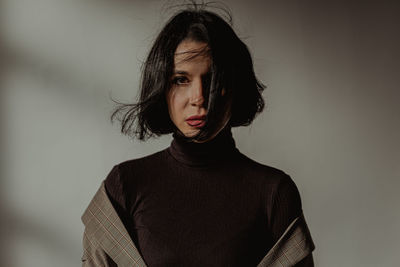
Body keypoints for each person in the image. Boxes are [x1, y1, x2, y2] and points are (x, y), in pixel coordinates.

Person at [81, 4, 315, 267]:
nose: (199, 98)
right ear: (161, 87)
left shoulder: (274, 193)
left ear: (235, 86)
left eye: (213, 79)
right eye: (181, 79)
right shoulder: (123, 187)